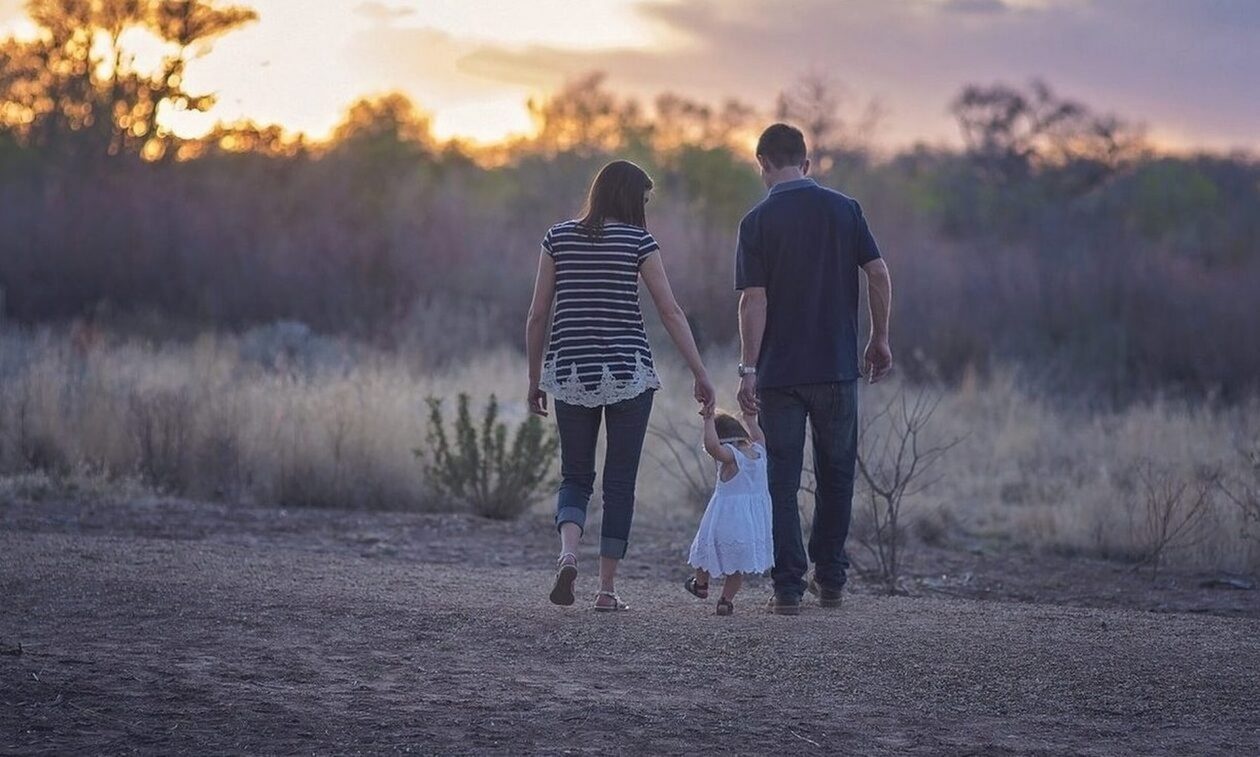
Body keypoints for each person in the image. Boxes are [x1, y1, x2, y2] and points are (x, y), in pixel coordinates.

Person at [526, 159, 716, 612]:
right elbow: (670, 312)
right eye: (643, 200)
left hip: (571, 371)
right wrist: (700, 372)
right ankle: (606, 590)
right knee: (620, 482)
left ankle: (568, 554)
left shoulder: (557, 238)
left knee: (575, 475)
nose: (644, 208)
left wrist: (535, 379)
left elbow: (537, 315)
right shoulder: (639, 242)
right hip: (629, 373)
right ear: (631, 199)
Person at [734, 123, 893, 616]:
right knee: (836, 474)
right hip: (837, 368)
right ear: (806, 163)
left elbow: (753, 300)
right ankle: (831, 581)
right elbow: (878, 273)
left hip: (780, 374)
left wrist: (748, 368)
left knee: (781, 481)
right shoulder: (845, 210)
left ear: (762, 163)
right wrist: (879, 338)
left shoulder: (756, 222)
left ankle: (787, 588)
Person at [684, 409, 773, 616]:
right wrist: (750, 419)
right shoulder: (759, 452)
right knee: (736, 567)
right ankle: (725, 601)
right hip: (750, 525)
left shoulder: (732, 457)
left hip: (725, 520)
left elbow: (712, 447)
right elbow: (759, 436)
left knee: (705, 551)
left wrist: (708, 421)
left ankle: (701, 584)